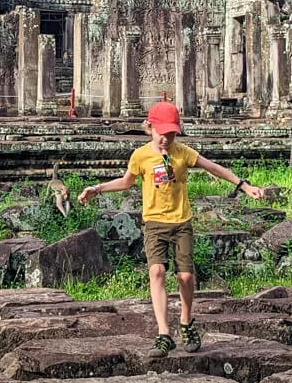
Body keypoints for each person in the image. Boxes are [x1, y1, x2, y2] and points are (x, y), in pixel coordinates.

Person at [78, 99, 264, 357]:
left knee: (185, 277)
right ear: (149, 128)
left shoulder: (183, 153)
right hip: (154, 223)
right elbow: (126, 181)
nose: (165, 138)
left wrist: (244, 185)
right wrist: (96, 189)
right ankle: (164, 333)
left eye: (171, 133)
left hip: (181, 223)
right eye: (161, 133)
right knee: (156, 272)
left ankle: (186, 322)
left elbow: (214, 168)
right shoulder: (141, 155)